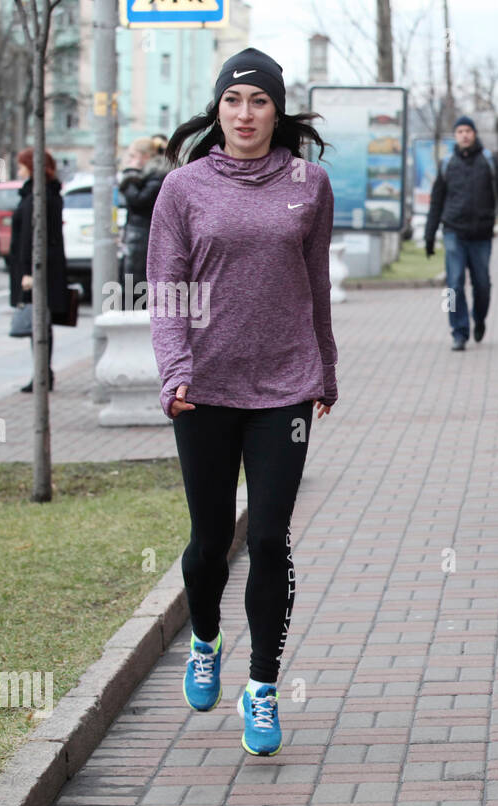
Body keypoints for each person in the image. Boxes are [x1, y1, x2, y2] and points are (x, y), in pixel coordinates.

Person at [149, 47, 339, 756]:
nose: (246, 113)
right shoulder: (184, 190)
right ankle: (205, 639)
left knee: (268, 540)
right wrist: (175, 371)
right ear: (217, 109)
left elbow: (315, 281)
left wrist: (326, 365)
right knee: (208, 545)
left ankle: (261, 689)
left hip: (285, 385)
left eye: (260, 101)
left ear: (277, 110)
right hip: (204, 388)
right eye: (234, 101)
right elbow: (166, 290)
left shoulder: (308, 184)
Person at [424, 115, 498, 350]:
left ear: (474, 134)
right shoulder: (447, 163)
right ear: (455, 136)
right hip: (453, 231)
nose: (464, 135)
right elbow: (436, 201)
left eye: (468, 130)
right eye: (460, 131)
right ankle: (458, 331)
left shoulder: (489, 161)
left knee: (482, 285)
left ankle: (479, 319)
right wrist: (429, 234)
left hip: (481, 233)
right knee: (453, 285)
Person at [8, 147, 68, 393]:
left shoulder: (38, 196)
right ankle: (43, 373)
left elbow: (31, 238)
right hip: (42, 266)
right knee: (40, 322)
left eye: (22, 164)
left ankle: (42, 374)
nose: (19, 168)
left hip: (37, 268)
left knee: (38, 323)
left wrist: (29, 272)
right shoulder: (44, 193)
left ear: (33, 166)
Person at [119, 136, 171, 292]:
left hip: (143, 238)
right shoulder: (150, 176)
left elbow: (138, 200)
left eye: (133, 156)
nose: (131, 160)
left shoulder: (157, 176)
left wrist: (130, 174)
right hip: (141, 237)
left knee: (136, 288)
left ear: (146, 156)